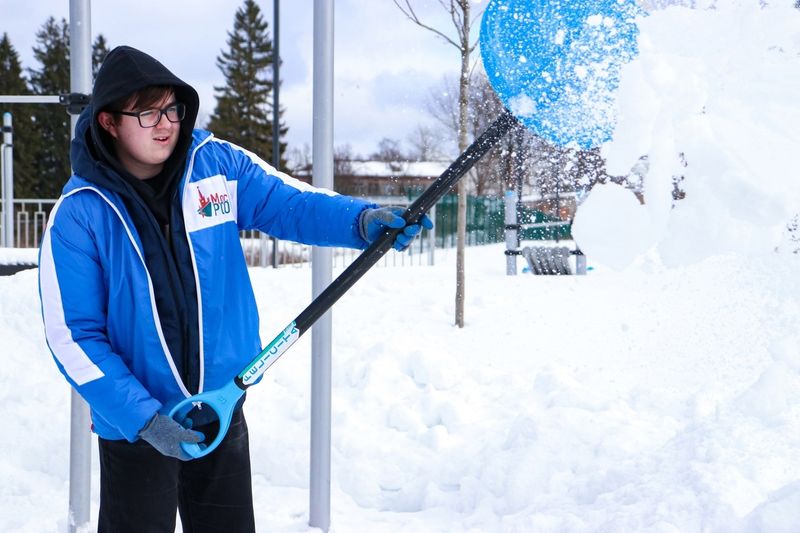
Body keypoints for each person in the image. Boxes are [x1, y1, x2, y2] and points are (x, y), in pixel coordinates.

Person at [38, 45, 432, 533]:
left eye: (171, 109)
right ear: (108, 122)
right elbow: (74, 337)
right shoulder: (80, 213)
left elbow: (290, 203)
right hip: (136, 428)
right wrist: (142, 419)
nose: (165, 124)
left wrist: (360, 221)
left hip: (220, 406)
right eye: (146, 113)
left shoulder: (215, 167)